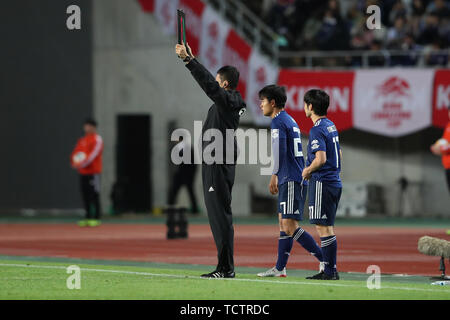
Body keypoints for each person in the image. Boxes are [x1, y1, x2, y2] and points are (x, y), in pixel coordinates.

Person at [175, 42, 246, 278]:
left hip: (218, 162)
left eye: (217, 81)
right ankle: (224, 266)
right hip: (214, 161)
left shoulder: (228, 101)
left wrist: (189, 61)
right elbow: (212, 88)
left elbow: (209, 86)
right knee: (217, 214)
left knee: (220, 215)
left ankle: (226, 268)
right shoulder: (226, 103)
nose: (214, 85)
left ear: (224, 84)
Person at [256, 85, 324, 278]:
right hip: (292, 176)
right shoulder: (289, 119)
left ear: (273, 102)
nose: (260, 105)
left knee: (290, 226)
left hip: (291, 177)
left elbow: (279, 150)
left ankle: (325, 260)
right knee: (283, 223)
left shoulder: (278, 121)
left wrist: (274, 174)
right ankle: (280, 267)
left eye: (263, 101)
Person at [302, 89, 342, 280]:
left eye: (305, 104)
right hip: (334, 181)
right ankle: (330, 270)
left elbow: (321, 158)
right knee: (327, 227)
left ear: (310, 106)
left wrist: (307, 170)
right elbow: (339, 154)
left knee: (322, 227)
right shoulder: (330, 125)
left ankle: (329, 271)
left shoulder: (317, 128)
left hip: (322, 182)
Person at [71, 119, 104, 227]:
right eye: (86, 126)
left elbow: (93, 155)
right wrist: (74, 162)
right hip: (83, 172)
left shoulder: (97, 139)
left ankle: (96, 218)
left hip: (94, 172)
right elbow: (76, 153)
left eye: (90, 126)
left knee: (94, 194)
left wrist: (81, 164)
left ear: (94, 127)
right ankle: (88, 217)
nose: (87, 128)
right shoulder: (82, 140)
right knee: (84, 195)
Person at [430, 106, 450, 194]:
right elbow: (444, 141)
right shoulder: (448, 126)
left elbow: (446, 147)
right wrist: (436, 147)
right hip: (447, 165)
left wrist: (440, 149)